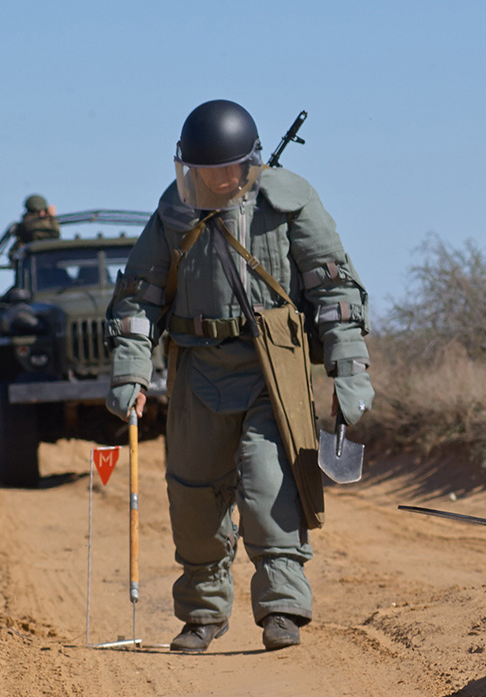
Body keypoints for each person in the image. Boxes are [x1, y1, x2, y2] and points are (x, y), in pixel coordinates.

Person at [104, 99, 374, 652]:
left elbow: (336, 293)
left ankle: (281, 607)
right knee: (193, 494)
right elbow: (138, 298)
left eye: (223, 171)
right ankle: (202, 616)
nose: (213, 181)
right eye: (200, 173)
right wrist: (129, 372)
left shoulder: (288, 204)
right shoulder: (174, 213)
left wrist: (349, 375)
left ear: (249, 164)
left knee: (268, 484)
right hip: (197, 368)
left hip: (269, 369)